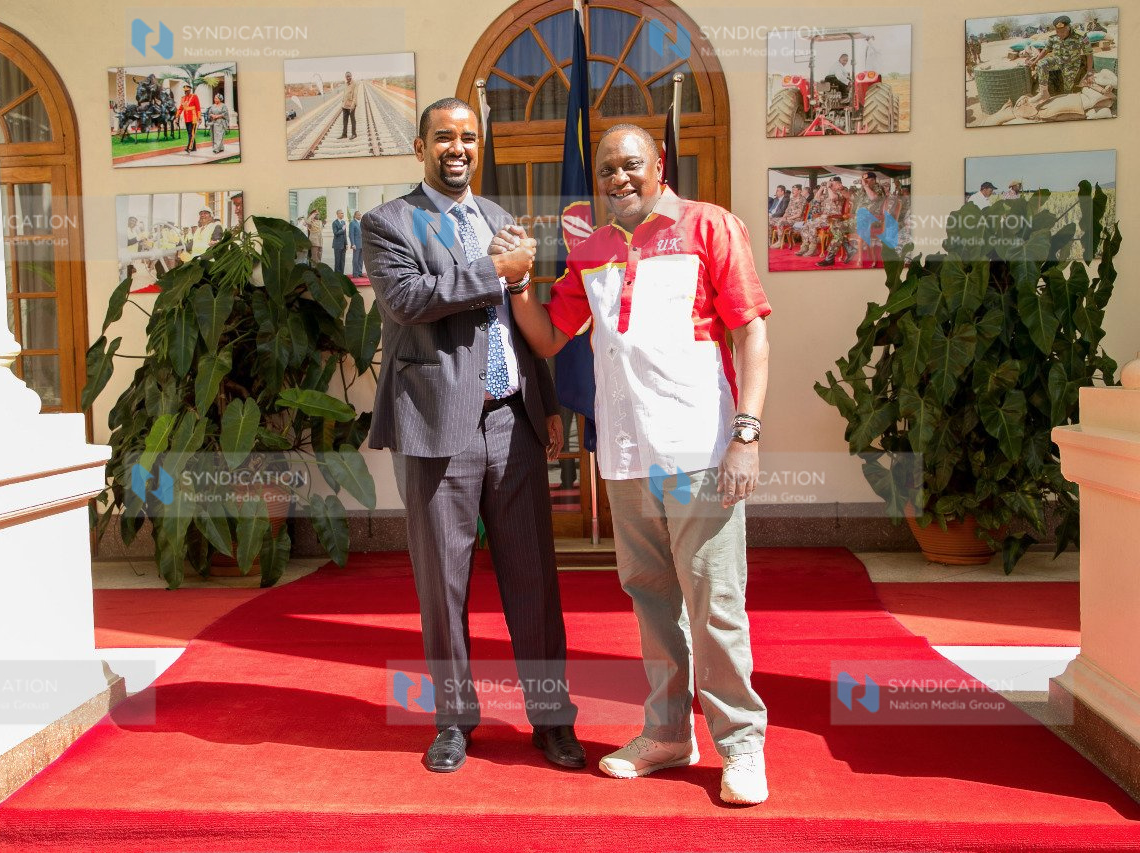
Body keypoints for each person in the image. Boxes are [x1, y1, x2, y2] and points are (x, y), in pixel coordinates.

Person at [501, 123, 771, 805]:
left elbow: (752, 331)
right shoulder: (589, 249)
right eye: (606, 171)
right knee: (652, 602)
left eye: (630, 166)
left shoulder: (709, 226)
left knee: (717, 606)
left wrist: (747, 433)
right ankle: (667, 732)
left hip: (701, 451)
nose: (618, 179)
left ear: (660, 165)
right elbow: (549, 334)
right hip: (623, 455)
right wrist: (515, 285)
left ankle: (741, 746)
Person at [362, 97, 582, 775]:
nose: (457, 148)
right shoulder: (387, 222)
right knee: (443, 583)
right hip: (435, 426)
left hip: (509, 420)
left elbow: (520, 319)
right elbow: (409, 299)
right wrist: (498, 271)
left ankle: (552, 717)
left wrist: (543, 400)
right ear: (421, 145)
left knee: (534, 577)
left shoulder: (496, 219)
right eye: (444, 138)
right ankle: (454, 719)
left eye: (468, 138)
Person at [1027, 15, 1093, 105]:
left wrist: (1089, 72)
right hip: (1057, 61)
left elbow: (1089, 54)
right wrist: (1035, 62)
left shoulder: (1081, 36)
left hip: (1072, 64)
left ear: (1069, 27)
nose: (1060, 34)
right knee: (1042, 64)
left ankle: (1067, 102)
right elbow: (1045, 50)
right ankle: (1044, 93)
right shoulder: (1053, 37)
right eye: (1058, 32)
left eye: (1063, 31)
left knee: (1067, 89)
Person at [815, 177, 854, 267]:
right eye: (830, 183)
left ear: (838, 184)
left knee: (836, 230)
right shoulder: (828, 192)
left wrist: (828, 187)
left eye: (832, 183)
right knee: (837, 231)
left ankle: (830, 259)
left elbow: (833, 198)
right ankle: (849, 249)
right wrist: (821, 188)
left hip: (836, 218)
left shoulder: (841, 191)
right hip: (827, 218)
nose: (831, 184)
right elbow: (816, 199)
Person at [178, 84, 202, 153]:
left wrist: (199, 117)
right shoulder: (183, 98)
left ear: (190, 90)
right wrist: (177, 116)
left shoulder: (194, 96)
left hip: (193, 118)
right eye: (185, 91)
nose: (186, 92)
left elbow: (198, 107)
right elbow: (180, 108)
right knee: (189, 133)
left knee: (191, 133)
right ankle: (194, 148)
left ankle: (189, 147)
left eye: (187, 91)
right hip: (186, 118)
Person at [340, 71, 358, 139]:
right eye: (347, 76)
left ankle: (354, 134)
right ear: (345, 77)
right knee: (344, 121)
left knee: (352, 119)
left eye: (349, 76)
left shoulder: (354, 84)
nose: (348, 77)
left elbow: (355, 95)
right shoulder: (345, 84)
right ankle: (344, 134)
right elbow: (345, 93)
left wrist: (353, 105)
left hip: (351, 105)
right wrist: (342, 103)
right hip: (344, 105)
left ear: (351, 76)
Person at [348, 210, 364, 277]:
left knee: (361, 260)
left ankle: (360, 272)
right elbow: (351, 234)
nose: (360, 216)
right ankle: (355, 273)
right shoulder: (352, 223)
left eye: (360, 215)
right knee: (355, 259)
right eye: (358, 215)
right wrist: (352, 244)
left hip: (362, 244)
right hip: (356, 244)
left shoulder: (361, 223)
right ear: (355, 216)